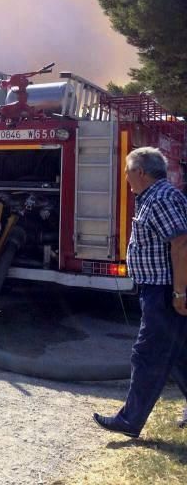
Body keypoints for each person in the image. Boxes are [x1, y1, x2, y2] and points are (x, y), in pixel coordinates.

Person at [93, 147, 187, 438]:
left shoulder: (159, 198)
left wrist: (180, 293)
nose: (125, 176)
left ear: (141, 172)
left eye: (127, 171)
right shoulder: (157, 196)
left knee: (146, 356)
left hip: (164, 292)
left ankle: (130, 420)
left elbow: (181, 243)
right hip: (162, 289)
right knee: (180, 353)